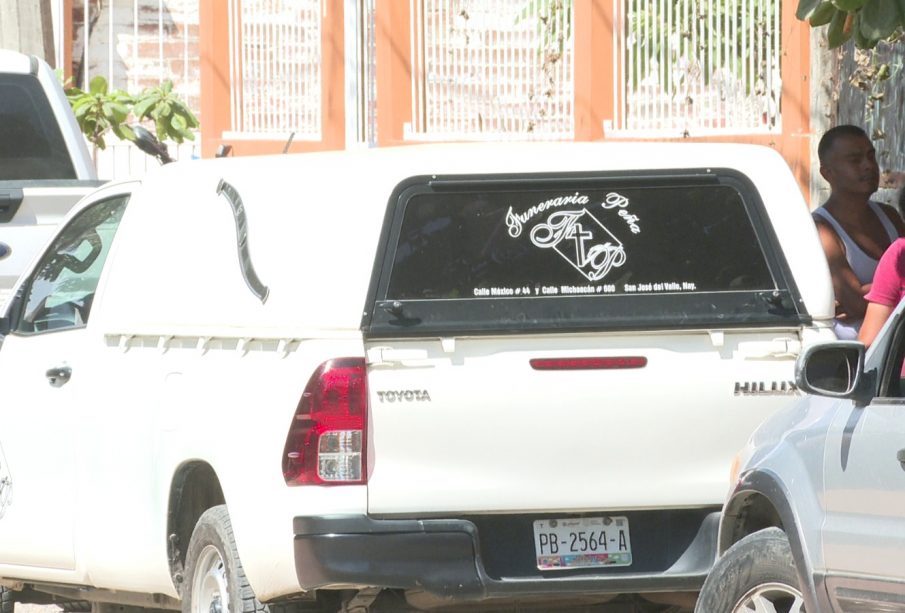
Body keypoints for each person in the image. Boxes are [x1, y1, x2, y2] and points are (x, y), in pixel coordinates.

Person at [812, 125, 905, 339]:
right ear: (827, 173)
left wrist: (873, 295)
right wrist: (894, 290)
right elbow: (853, 299)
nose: (868, 166)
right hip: (857, 357)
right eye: (855, 160)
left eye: (871, 156)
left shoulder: (889, 216)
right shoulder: (821, 229)